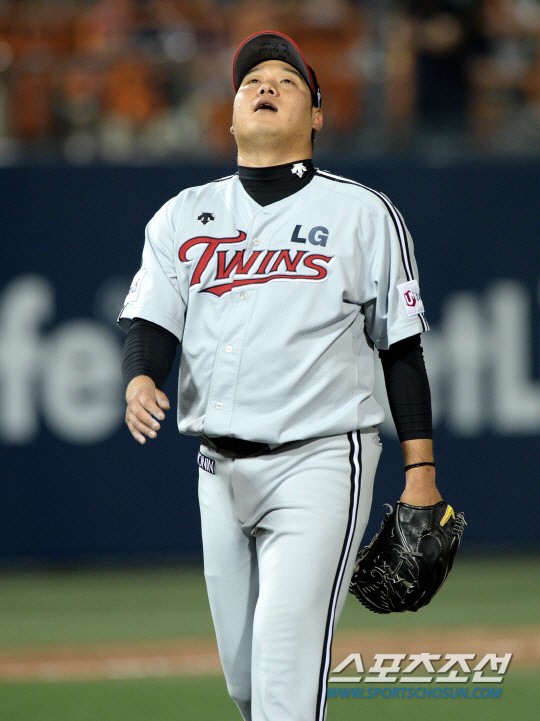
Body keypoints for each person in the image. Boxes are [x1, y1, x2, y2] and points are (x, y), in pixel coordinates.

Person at [119, 30, 442, 721]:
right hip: (217, 471)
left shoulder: (362, 213)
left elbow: (402, 349)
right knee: (245, 684)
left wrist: (421, 471)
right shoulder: (183, 215)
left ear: (317, 116)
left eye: (286, 81)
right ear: (232, 115)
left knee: (283, 681)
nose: (265, 86)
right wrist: (142, 377)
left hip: (319, 461)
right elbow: (152, 321)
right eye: (251, 82)